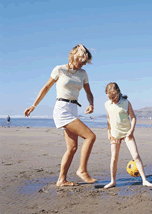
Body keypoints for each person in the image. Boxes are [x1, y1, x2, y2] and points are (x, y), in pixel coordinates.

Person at [24, 44, 97, 186]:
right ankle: (82, 170)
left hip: (73, 108)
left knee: (72, 148)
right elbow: (46, 88)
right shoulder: (59, 69)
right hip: (62, 109)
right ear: (74, 56)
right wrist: (34, 105)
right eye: (82, 61)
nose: (83, 64)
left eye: (85, 63)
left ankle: (61, 180)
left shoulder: (83, 74)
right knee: (90, 136)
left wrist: (91, 104)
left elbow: (88, 92)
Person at [104, 82, 152, 188]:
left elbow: (133, 117)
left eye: (114, 97)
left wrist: (131, 131)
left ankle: (144, 180)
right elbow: (108, 119)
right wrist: (108, 132)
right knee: (114, 158)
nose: (113, 100)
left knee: (135, 156)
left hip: (127, 133)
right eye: (110, 98)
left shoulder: (126, 102)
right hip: (115, 134)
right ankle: (113, 181)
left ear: (118, 92)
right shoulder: (107, 104)